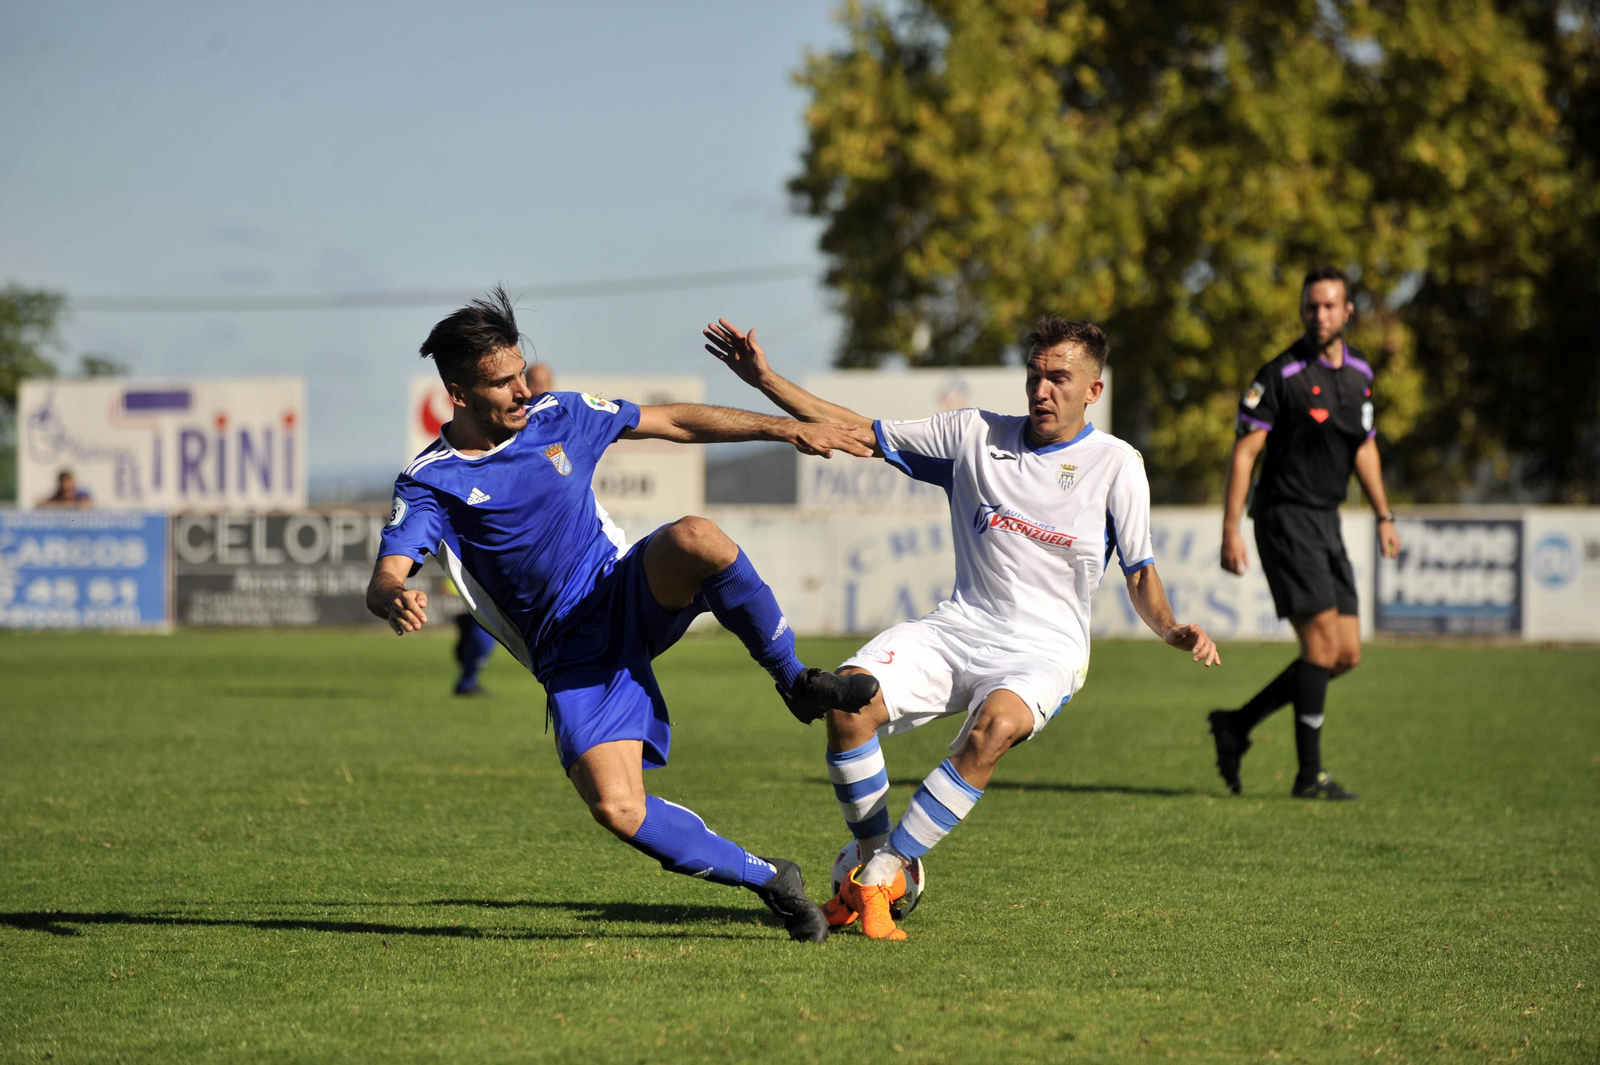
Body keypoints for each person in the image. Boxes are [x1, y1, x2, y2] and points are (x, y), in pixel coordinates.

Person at [367, 288, 880, 942]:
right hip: (572, 654)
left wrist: (787, 427)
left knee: (697, 535)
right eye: (503, 383)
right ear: (458, 393)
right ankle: (771, 878)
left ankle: (796, 681)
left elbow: (676, 422)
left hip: (622, 589)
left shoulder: (560, 414)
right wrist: (396, 595)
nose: (523, 390)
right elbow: (385, 574)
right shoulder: (430, 481)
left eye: (522, 372)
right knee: (617, 807)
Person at [705, 314, 1220, 941]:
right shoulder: (973, 433)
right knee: (848, 699)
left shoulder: (1117, 465)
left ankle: (884, 873)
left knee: (994, 727)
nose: (1042, 391)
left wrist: (1170, 629)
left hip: (1044, 651)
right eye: (1035, 376)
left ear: (1094, 390)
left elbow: (1141, 572)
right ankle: (876, 868)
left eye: (1059, 378)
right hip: (960, 627)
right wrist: (764, 379)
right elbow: (856, 430)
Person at [1210, 266, 1401, 801]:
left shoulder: (1360, 373)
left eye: (1329, 305)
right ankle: (1309, 777)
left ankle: (1237, 723)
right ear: (1303, 310)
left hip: (1328, 519)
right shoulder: (1279, 374)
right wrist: (1232, 528)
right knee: (1318, 644)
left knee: (1345, 654)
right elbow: (1245, 453)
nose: (1319, 315)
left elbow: (1363, 445)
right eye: (1311, 306)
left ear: (1347, 313)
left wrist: (1385, 514)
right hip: (1284, 517)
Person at [449, 359, 555, 696]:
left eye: (542, 383)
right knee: (497, 621)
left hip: (547, 550)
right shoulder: (495, 429)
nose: (535, 390)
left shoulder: (552, 431)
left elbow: (564, 472)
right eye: (532, 382)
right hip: (505, 550)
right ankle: (467, 680)